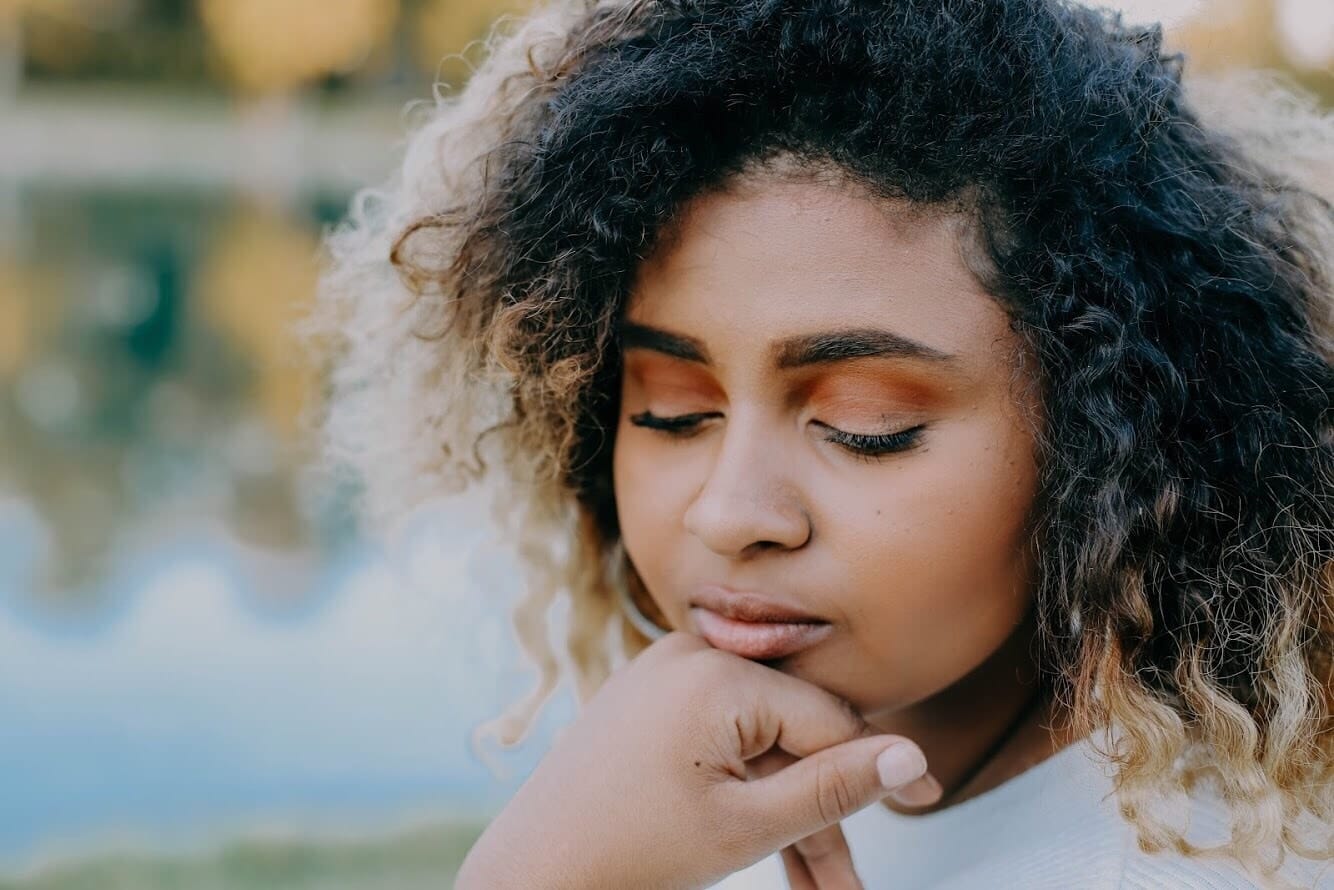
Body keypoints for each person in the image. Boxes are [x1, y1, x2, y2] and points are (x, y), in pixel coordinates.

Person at [309, 0, 1334, 886]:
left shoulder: (1174, 863)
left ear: (1111, 445)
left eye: (864, 426)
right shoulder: (678, 792)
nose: (727, 509)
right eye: (669, 407)